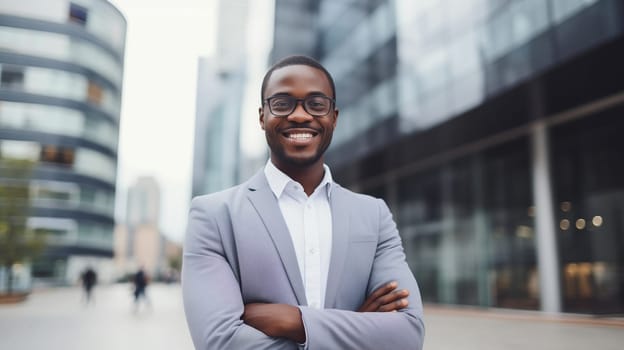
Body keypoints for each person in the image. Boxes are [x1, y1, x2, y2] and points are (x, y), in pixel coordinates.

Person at [182, 55, 425, 349]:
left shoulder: (374, 215)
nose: (299, 115)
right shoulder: (214, 216)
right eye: (283, 103)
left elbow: (407, 334)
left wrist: (296, 321)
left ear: (334, 118)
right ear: (262, 117)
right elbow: (220, 342)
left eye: (316, 104)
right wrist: (356, 325)